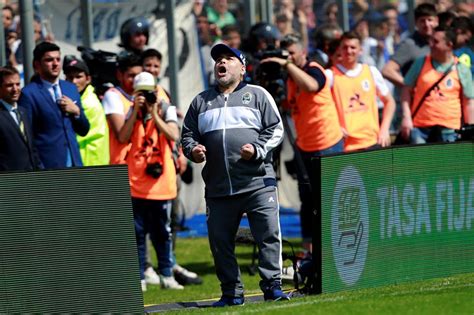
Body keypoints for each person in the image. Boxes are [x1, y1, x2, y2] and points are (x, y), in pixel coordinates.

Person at [181, 43, 288, 306]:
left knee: (268, 235)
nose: (221, 63)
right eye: (218, 59)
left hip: (257, 183)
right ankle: (231, 293)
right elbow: (187, 135)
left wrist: (258, 149)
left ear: (242, 68)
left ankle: (272, 287)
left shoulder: (258, 95)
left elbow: (276, 129)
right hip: (218, 188)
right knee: (220, 243)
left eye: (228, 58)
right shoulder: (200, 102)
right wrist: (193, 150)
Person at [261, 33, 343, 253]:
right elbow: (289, 104)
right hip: (304, 145)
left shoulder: (315, 68)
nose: (288, 58)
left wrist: (286, 64)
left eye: (292, 54)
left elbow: (312, 86)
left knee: (327, 196)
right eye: (285, 54)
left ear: (302, 52)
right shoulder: (289, 79)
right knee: (306, 198)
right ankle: (309, 249)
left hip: (327, 143)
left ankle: (333, 245)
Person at [140, 48, 203, 286]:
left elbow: (172, 132)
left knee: (170, 219)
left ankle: (169, 262)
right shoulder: (132, 96)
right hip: (143, 170)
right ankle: (146, 266)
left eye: (156, 65)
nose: (152, 69)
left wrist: (180, 157)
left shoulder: (163, 94)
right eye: (148, 65)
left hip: (167, 166)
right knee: (144, 222)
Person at [118, 72, 183, 291]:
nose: (146, 96)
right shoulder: (132, 111)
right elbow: (122, 137)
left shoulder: (166, 109)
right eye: (141, 93)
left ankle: (166, 273)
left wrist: (155, 114)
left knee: (162, 233)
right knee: (137, 233)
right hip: (136, 183)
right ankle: (140, 277)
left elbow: (174, 135)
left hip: (161, 184)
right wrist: (136, 110)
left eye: (149, 92)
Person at [18, 42, 90, 169]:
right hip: (48, 166)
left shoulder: (71, 88)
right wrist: (38, 166)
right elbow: (27, 137)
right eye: (49, 60)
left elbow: (84, 130)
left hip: (75, 163)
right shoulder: (29, 94)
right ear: (37, 65)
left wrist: (77, 112)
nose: (55, 63)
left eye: (58, 59)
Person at [400, 26, 474, 144]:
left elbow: (468, 102)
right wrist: (406, 117)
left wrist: (470, 129)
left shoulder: (461, 68)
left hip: (450, 131)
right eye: (430, 40)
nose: (431, 44)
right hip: (421, 129)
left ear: (449, 45)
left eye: (436, 42)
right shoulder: (421, 62)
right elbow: (406, 90)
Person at [327, 31, 396, 151]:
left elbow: (390, 102)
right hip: (345, 145)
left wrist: (384, 130)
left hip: (371, 141)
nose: (349, 51)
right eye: (345, 47)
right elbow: (321, 106)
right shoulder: (330, 75)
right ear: (340, 49)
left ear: (360, 50)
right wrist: (334, 126)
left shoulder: (371, 72)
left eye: (353, 47)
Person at [63, 56, 110, 166]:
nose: (74, 81)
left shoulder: (88, 103)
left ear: (88, 79)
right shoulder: (80, 98)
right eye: (70, 77)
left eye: (78, 77)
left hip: (91, 161)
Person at [382, 3, 438, 88]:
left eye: (430, 20)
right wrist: (410, 88)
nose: (427, 24)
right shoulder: (409, 44)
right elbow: (387, 70)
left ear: (436, 21)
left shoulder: (440, 43)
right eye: (422, 21)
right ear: (416, 23)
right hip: (416, 99)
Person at [103, 54, 142, 165]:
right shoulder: (112, 96)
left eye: (139, 76)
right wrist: (135, 110)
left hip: (139, 166)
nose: (135, 80)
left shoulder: (142, 96)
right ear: (120, 75)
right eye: (131, 75)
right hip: (119, 164)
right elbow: (122, 137)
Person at [0, 66, 42, 171]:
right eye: (9, 85)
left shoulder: (23, 112)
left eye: (18, 84)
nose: (15, 89)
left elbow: (31, 147)